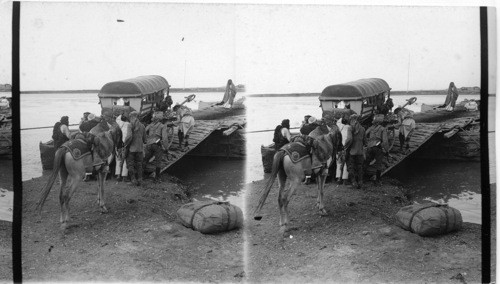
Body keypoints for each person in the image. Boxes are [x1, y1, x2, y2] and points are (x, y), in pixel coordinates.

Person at [144, 111, 170, 183]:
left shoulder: (150, 125)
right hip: (157, 144)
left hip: (149, 144)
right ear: (160, 119)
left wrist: (146, 139)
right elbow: (164, 138)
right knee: (158, 161)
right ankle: (157, 178)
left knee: (145, 159)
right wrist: (166, 148)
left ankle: (141, 175)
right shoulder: (162, 126)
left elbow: (144, 131)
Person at [364, 114, 390, 186]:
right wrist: (387, 150)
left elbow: (365, 134)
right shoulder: (382, 129)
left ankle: (362, 178)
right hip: (378, 148)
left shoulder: (370, 128)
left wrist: (367, 142)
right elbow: (385, 141)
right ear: (380, 123)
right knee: (379, 164)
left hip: (370, 147)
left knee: (366, 162)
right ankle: (377, 181)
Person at [125, 111, 147, 186]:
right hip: (140, 149)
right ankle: (140, 180)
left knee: (130, 164)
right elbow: (145, 140)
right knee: (139, 164)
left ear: (131, 117)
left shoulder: (130, 125)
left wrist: (125, 144)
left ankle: (133, 180)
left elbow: (128, 137)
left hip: (132, 149)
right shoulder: (143, 126)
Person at [344, 114, 365, 189]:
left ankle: (353, 182)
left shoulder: (350, 128)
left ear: (352, 120)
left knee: (351, 167)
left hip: (351, 151)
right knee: (359, 167)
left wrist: (345, 146)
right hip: (360, 151)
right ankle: (360, 182)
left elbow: (349, 139)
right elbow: (365, 141)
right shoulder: (363, 129)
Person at [115, 113, 131, 182]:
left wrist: (120, 114)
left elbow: (117, 119)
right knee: (125, 160)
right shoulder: (128, 125)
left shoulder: (118, 123)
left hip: (118, 145)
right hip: (125, 144)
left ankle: (118, 175)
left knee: (118, 160)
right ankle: (124, 176)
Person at [336, 117, 352, 185]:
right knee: (346, 163)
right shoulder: (349, 127)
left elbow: (338, 122)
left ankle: (338, 178)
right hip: (346, 147)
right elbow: (349, 138)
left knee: (339, 162)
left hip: (339, 147)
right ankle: (345, 179)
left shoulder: (339, 126)